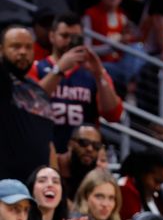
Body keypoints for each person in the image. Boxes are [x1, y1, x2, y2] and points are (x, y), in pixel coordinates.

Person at [29, 12, 123, 153]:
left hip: (82, 156)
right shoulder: (36, 67)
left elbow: (113, 115)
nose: (69, 42)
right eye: (64, 36)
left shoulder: (93, 72)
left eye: (75, 37)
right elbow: (31, 102)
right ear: (52, 36)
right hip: (43, 151)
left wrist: (99, 75)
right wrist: (59, 69)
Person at [0, 25, 56, 181]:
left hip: (37, 188)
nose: (23, 52)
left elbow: (48, 144)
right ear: (1, 50)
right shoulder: (3, 82)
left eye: (28, 47)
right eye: (16, 46)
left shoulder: (38, 91)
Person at [118, 148, 163, 220]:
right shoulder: (125, 189)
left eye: (162, 182)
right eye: (156, 181)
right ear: (143, 173)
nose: (158, 187)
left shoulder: (154, 194)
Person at [56, 125, 103, 202]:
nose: (90, 149)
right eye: (84, 143)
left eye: (96, 145)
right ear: (70, 144)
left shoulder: (98, 175)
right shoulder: (53, 165)